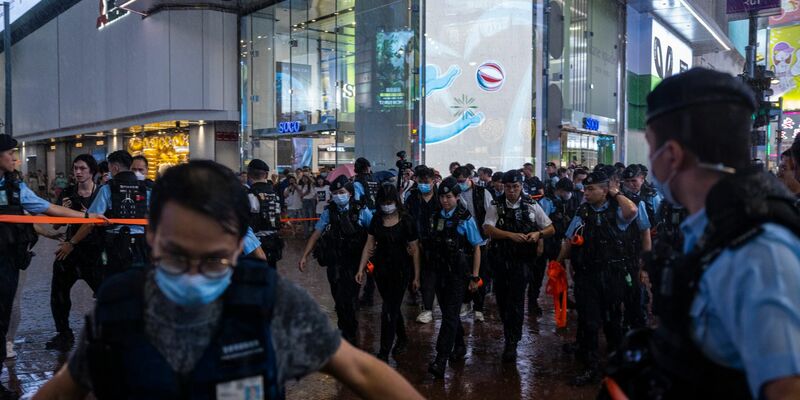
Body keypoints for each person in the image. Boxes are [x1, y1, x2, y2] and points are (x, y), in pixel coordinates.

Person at [33, 160, 423, 400]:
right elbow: (65, 388)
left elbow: (362, 371)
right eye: (175, 254)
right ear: (151, 237)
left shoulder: (270, 305)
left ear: (240, 246)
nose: (192, 272)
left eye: (214, 258)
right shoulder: (120, 308)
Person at [604, 68, 800, 399]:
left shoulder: (759, 254)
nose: (650, 163)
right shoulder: (712, 230)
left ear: (672, 156)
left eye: (650, 147)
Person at [0, 135, 107, 398]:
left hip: (7, 261)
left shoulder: (15, 186)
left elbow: (45, 207)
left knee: (1, 316)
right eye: (10, 153)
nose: (15, 158)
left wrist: (87, 215)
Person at [556, 169, 639, 385]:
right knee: (589, 323)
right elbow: (569, 239)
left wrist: (615, 193)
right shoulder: (583, 211)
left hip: (612, 276)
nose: (585, 192)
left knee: (613, 324)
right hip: (587, 276)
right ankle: (591, 368)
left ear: (604, 190)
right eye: (585, 188)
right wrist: (557, 264)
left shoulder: (617, 210)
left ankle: (615, 369)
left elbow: (632, 211)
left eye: (591, 189)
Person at [483, 170, 555, 362]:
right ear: (503, 187)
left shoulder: (531, 204)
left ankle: (512, 342)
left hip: (522, 262)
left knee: (516, 301)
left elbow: (550, 227)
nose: (512, 190)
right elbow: (488, 228)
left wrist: (538, 235)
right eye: (508, 187)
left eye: (516, 187)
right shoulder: (496, 205)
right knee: (502, 300)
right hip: (500, 261)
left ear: (521, 186)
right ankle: (509, 330)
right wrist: (508, 235)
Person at [299, 176, 372, 345]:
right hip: (334, 263)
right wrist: (305, 255)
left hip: (354, 263)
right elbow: (317, 233)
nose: (338, 196)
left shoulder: (361, 211)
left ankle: (351, 334)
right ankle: (343, 329)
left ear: (350, 194)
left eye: (342, 192)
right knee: (338, 299)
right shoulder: (329, 211)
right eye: (335, 193)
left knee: (350, 299)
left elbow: (373, 235)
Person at [355, 184, 421, 362]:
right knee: (391, 306)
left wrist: (416, 276)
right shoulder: (377, 219)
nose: (386, 206)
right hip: (381, 270)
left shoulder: (407, 220)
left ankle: (384, 352)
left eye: (389, 202)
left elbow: (414, 249)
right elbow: (369, 245)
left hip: (401, 271)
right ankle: (402, 338)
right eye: (383, 202)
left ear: (396, 201)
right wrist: (361, 268)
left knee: (388, 310)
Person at [426, 177, 483, 378]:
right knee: (448, 313)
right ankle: (459, 345)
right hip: (440, 272)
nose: (445, 200)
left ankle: (441, 359)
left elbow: (476, 247)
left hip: (459, 275)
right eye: (442, 196)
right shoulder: (436, 217)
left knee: (449, 315)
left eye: (449, 197)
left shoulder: (465, 218)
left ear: (457, 197)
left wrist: (475, 277)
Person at [48, 155, 105, 351]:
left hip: (94, 252)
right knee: (59, 294)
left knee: (105, 293)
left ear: (92, 171)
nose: (78, 172)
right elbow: (55, 225)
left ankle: (106, 333)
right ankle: (63, 333)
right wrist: (62, 211)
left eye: (82, 168)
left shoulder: (102, 193)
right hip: (68, 252)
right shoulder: (67, 192)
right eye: (75, 168)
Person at [66, 150, 150, 280]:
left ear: (115, 167)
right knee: (138, 284)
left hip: (115, 244)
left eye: (110, 167)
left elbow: (91, 221)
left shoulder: (108, 189)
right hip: (140, 245)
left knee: (114, 285)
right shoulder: (146, 189)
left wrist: (72, 242)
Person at [452, 166, 491, 322]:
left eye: (462, 181)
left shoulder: (482, 193)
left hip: (481, 239)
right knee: (463, 273)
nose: (460, 183)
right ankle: (465, 302)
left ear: (470, 178)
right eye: (458, 181)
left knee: (480, 274)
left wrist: (489, 236)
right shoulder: (456, 193)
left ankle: (479, 307)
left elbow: (490, 215)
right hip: (462, 240)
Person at [536, 178, 578, 315]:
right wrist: (540, 243)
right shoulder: (546, 202)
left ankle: (562, 299)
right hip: (544, 241)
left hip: (556, 242)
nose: (569, 195)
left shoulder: (563, 202)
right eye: (567, 192)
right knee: (538, 274)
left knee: (559, 272)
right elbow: (539, 223)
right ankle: (533, 301)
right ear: (559, 190)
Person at [405, 166, 439, 324]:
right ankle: (427, 307)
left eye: (427, 181)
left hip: (437, 244)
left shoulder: (441, 198)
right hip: (416, 243)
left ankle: (431, 306)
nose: (424, 184)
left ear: (433, 181)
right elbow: (406, 219)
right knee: (422, 276)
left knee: (434, 276)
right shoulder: (411, 198)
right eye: (421, 181)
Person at [246, 159, 284, 268]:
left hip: (254, 244)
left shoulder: (249, 195)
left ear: (249, 175)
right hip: (274, 242)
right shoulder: (275, 194)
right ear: (266, 175)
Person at [353, 157, 378, 305]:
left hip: (364, 225)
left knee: (361, 258)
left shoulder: (357, 183)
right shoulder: (375, 180)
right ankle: (370, 291)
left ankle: (360, 295)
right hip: (378, 222)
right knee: (372, 260)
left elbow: (357, 203)